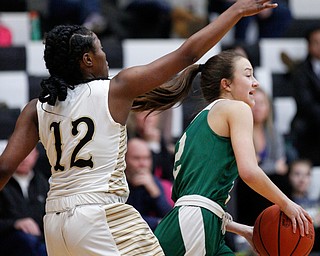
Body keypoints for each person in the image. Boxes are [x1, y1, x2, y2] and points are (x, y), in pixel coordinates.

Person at [0, 1, 281, 255]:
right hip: (101, 215)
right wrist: (236, 11)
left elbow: (3, 170)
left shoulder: (35, 108)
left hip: (55, 224)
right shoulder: (116, 89)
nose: (105, 55)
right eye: (99, 49)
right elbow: (187, 54)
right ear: (87, 60)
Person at [152, 50, 312, 255]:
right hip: (194, 226)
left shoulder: (200, 120)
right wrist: (287, 204)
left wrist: (243, 230)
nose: (256, 83)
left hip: (197, 224)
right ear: (226, 84)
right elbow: (249, 171)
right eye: (248, 75)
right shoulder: (237, 108)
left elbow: (198, 197)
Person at [0, 147, 48, 256]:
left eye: (28, 154)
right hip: (10, 240)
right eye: (19, 153)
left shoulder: (43, 182)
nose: (23, 158)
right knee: (27, 240)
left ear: (36, 155)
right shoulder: (2, 182)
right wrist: (15, 224)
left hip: (42, 239)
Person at [125, 138, 173, 231]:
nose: (143, 164)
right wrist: (156, 222)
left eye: (146, 158)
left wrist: (155, 193)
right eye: (136, 158)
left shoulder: (153, 182)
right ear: (125, 159)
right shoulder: (117, 184)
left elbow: (170, 219)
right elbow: (122, 219)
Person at [289, 25, 320, 166]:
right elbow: (305, 103)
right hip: (309, 126)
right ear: (308, 45)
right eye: (316, 42)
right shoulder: (300, 71)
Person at [208, 0, 292, 43]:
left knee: (282, 12)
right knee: (244, 13)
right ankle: (239, 47)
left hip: (254, 3)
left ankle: (262, 48)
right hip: (228, 5)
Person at [288, 159, 320, 252]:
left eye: (307, 175)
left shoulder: (316, 201)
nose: (302, 179)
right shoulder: (285, 203)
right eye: (297, 174)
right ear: (289, 176)